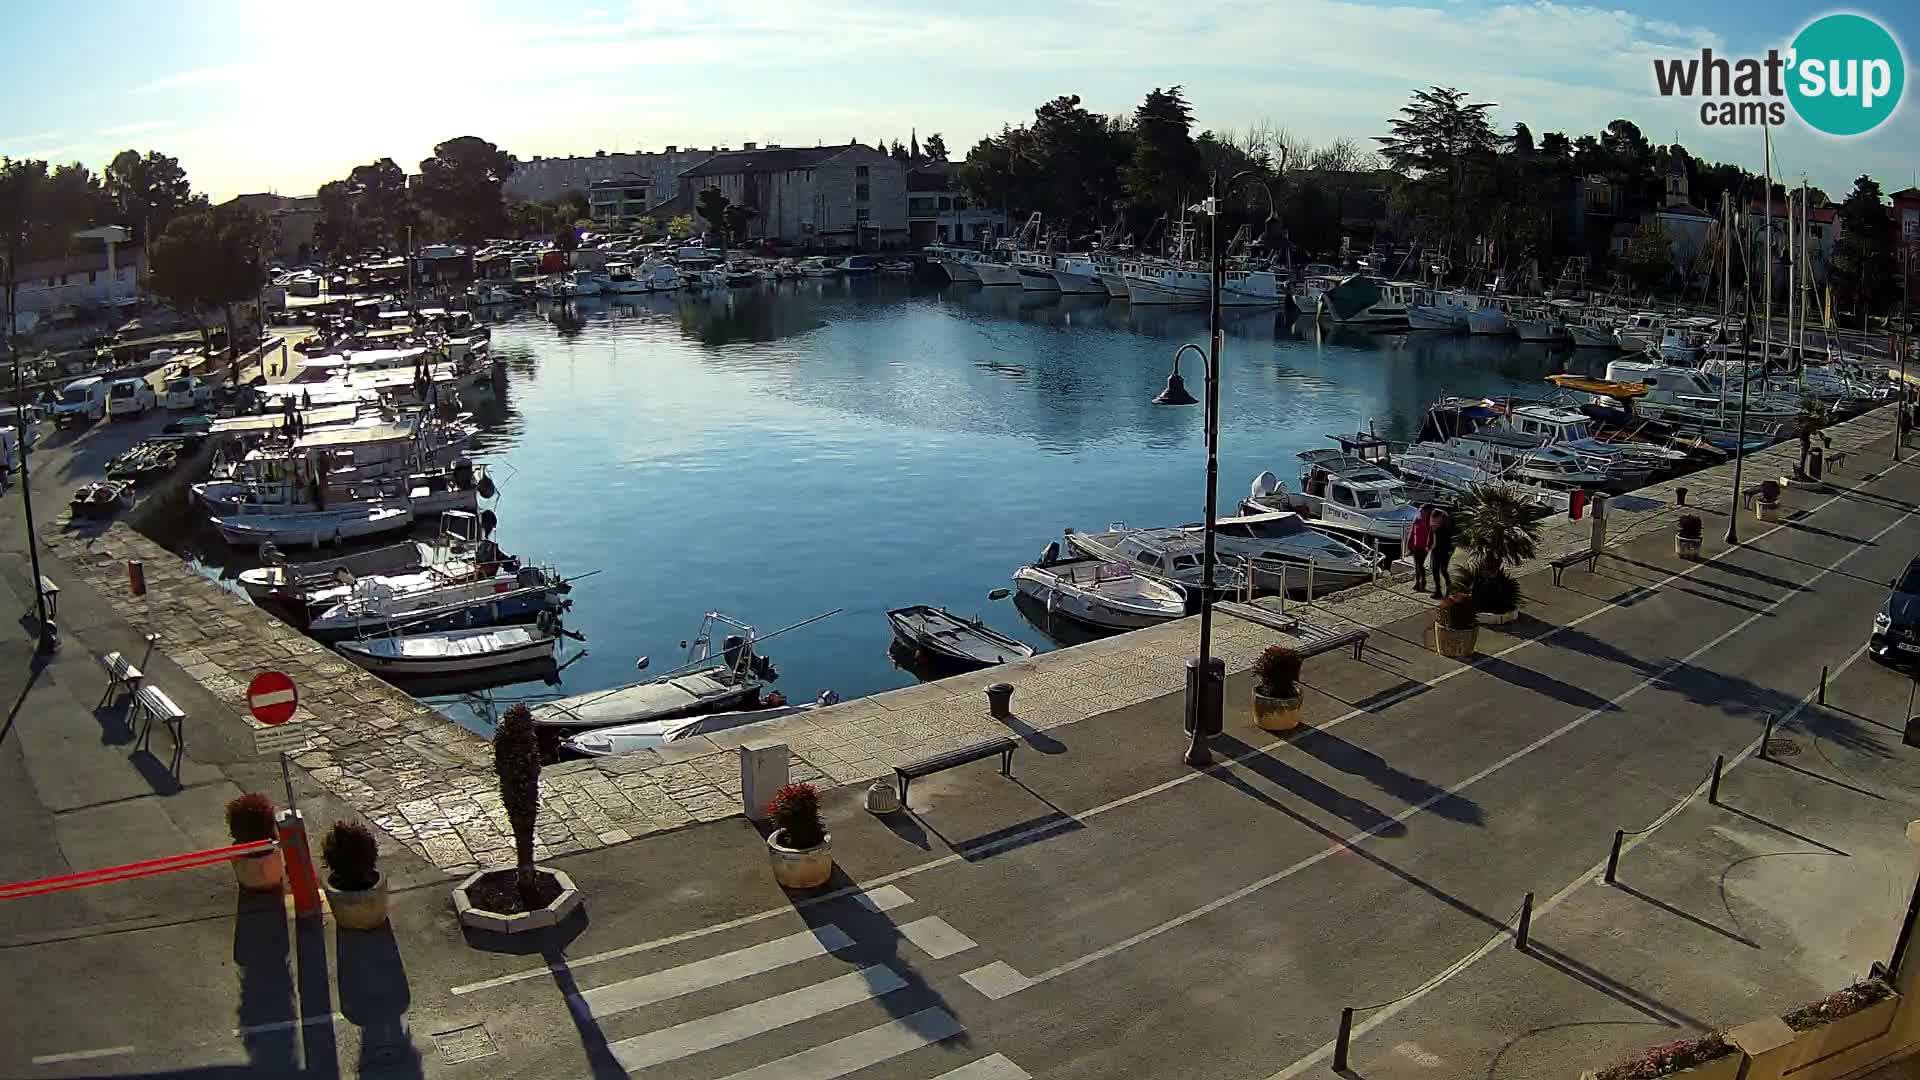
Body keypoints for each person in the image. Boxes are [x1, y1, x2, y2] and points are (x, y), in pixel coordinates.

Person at [1429, 505, 1455, 598]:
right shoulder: (1437, 525)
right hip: (1438, 550)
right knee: (1436, 570)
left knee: (1443, 570)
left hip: (1443, 549)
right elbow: (1431, 535)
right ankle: (1439, 590)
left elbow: (1449, 539)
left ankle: (1448, 588)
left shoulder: (1446, 527)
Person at [1405, 506, 1432, 593]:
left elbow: (1431, 535)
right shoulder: (1418, 519)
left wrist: (1428, 546)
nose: (1421, 512)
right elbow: (1412, 532)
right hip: (1416, 546)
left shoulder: (1428, 521)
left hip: (1423, 546)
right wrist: (1409, 546)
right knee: (1417, 565)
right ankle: (1418, 583)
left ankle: (1421, 582)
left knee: (1419, 564)